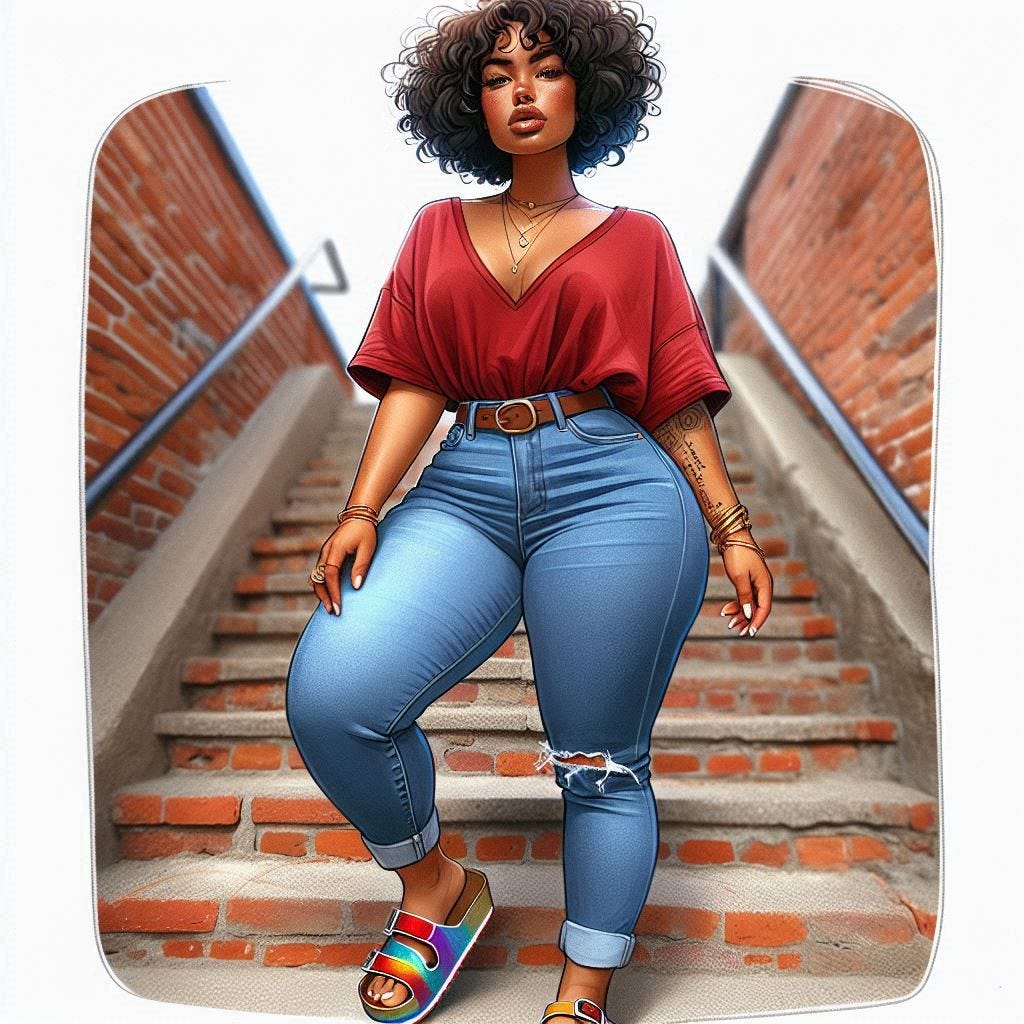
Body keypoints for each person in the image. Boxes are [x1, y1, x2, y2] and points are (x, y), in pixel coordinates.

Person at [285, 3, 774, 1023]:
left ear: (586, 89)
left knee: (599, 760)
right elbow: (417, 375)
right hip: (464, 483)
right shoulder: (435, 227)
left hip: (612, 485)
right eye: (496, 74)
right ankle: (435, 889)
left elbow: (673, 395)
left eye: (544, 69)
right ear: (468, 102)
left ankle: (582, 990)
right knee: (334, 695)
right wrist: (362, 505)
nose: (520, 91)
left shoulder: (638, 239)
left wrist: (731, 528)